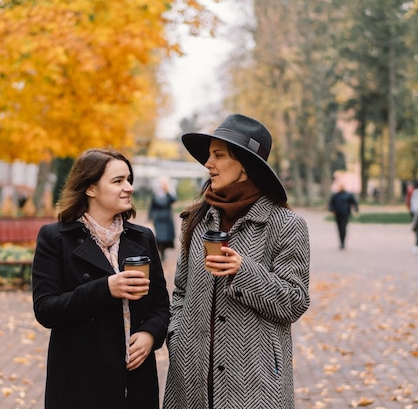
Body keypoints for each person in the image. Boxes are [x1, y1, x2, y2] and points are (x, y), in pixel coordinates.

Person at [162, 114, 310, 409]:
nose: (208, 164)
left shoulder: (285, 223)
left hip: (256, 378)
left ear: (245, 164)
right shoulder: (197, 220)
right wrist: (177, 338)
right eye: (209, 156)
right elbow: (180, 291)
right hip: (191, 374)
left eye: (218, 155)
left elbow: (295, 301)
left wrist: (245, 272)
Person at [32, 148, 171, 409]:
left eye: (129, 179)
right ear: (91, 188)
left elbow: (161, 305)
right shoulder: (56, 238)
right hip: (79, 382)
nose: (128, 187)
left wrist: (150, 335)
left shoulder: (141, 238)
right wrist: (106, 288)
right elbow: (46, 309)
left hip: (135, 381)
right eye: (118, 181)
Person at [148, 176, 176, 260]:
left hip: (167, 219)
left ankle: (163, 252)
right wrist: (149, 218)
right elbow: (152, 206)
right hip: (158, 219)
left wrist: (167, 190)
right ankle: (160, 252)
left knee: (166, 238)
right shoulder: (156, 193)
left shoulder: (169, 192)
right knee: (159, 238)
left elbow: (173, 200)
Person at [328, 183, 359, 249]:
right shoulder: (335, 195)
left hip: (345, 214)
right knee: (339, 228)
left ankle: (343, 242)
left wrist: (356, 209)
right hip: (337, 214)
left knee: (343, 227)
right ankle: (341, 241)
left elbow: (354, 202)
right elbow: (331, 203)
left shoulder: (348, 195)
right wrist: (332, 210)